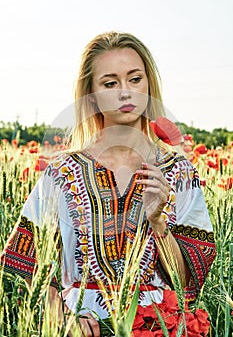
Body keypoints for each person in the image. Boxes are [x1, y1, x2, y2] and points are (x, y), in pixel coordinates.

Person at [1, 31, 216, 336]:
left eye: (135, 79)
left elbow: (187, 284)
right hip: (82, 327)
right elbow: (27, 263)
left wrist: (159, 223)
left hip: (158, 326)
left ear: (149, 84)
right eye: (110, 83)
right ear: (91, 94)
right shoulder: (61, 173)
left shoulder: (179, 173)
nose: (125, 92)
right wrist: (63, 318)